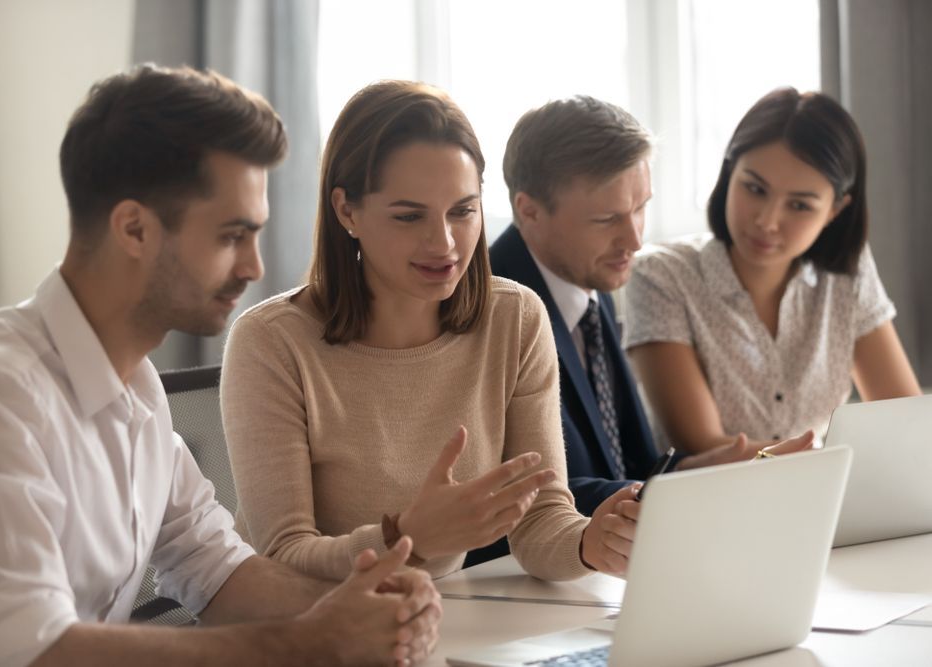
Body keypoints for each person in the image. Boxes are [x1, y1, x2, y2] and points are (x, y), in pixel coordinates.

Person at [0, 64, 440, 667]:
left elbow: (218, 569)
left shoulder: (137, 387)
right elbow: (34, 650)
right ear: (134, 229)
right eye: (232, 235)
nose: (255, 267)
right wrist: (308, 640)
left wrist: (366, 607)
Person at [221, 80, 644, 584]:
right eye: (408, 215)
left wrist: (589, 542)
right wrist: (409, 538)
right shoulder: (272, 342)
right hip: (313, 633)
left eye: (463, 211)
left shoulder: (515, 318)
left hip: (439, 622)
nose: (444, 243)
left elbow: (540, 521)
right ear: (346, 210)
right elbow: (282, 557)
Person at [487, 95, 812, 525]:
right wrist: (683, 490)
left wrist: (702, 472)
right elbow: (524, 492)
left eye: (641, 208)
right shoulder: (492, 312)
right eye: (606, 219)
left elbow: (626, 471)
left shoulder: (587, 280)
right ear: (529, 211)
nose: (635, 240)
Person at [623, 88, 921, 455]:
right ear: (729, 172)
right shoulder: (662, 276)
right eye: (754, 188)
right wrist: (827, 462)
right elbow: (705, 448)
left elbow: (904, 423)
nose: (767, 221)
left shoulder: (848, 275)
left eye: (799, 205)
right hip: (710, 502)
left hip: (822, 497)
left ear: (835, 211)